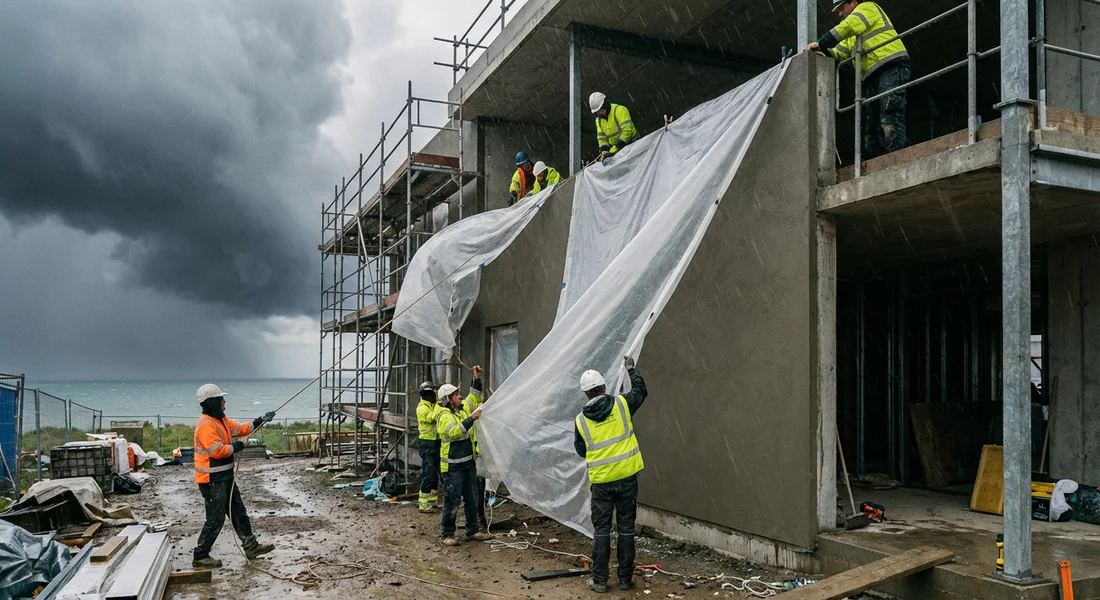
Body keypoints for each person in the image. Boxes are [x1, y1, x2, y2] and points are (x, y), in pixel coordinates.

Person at [573, 356, 648, 593]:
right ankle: (625, 579)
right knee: (626, 528)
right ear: (604, 387)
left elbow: (580, 449)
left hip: (602, 483)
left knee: (602, 531)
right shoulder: (622, 404)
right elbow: (641, 391)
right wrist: (631, 370)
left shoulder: (581, 420)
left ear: (586, 394)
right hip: (626, 479)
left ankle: (600, 581)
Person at [804, 0, 910, 158]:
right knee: (871, 124)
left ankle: (897, 159)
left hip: (891, 65)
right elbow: (842, 50)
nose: (840, 13)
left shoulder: (867, 8)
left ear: (853, 2)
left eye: (841, 8)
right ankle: (878, 162)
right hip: (873, 75)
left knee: (890, 114)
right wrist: (826, 53)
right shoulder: (854, 31)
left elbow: (847, 27)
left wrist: (820, 43)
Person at [192, 383, 276, 568]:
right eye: (221, 399)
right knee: (215, 519)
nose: (224, 401)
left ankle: (251, 546)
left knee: (239, 513)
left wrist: (261, 419)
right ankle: (200, 556)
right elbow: (217, 452)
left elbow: (241, 429)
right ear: (212, 402)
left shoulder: (221, 420)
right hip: (212, 481)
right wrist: (238, 446)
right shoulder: (206, 425)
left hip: (225, 477)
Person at [436, 366, 493, 546]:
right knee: (452, 500)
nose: (460, 397)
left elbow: (473, 397)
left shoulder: (462, 409)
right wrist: (471, 419)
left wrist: (475, 377)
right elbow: (455, 432)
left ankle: (472, 530)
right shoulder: (444, 416)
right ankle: (448, 534)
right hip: (452, 467)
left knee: (472, 497)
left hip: (468, 463)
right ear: (447, 400)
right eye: (455, 395)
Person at [416, 381, 441, 513]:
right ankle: (423, 504)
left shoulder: (431, 405)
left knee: (435, 473)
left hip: (435, 442)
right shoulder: (422, 408)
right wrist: (438, 404)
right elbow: (432, 418)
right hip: (426, 444)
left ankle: (432, 501)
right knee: (428, 473)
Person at [589, 92, 637, 161]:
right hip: (617, 152)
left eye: (601, 110)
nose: (600, 113)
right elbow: (601, 138)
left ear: (605, 105)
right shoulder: (598, 121)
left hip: (633, 146)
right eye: (598, 112)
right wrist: (604, 150)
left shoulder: (620, 110)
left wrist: (615, 149)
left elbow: (627, 131)